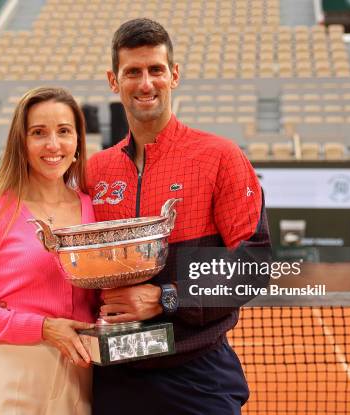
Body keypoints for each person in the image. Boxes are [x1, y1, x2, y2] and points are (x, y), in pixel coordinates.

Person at [86, 18, 271, 414]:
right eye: (132, 72)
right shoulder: (95, 171)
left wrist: (167, 298)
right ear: (113, 81)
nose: (146, 83)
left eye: (155, 70)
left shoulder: (220, 157)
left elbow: (255, 263)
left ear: (174, 75)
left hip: (197, 378)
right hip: (113, 377)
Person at [0, 87, 98, 415]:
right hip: (12, 375)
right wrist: (44, 327)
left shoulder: (94, 209)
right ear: (21, 142)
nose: (53, 145)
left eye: (64, 131)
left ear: (77, 142)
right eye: (38, 133)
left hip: (82, 378)